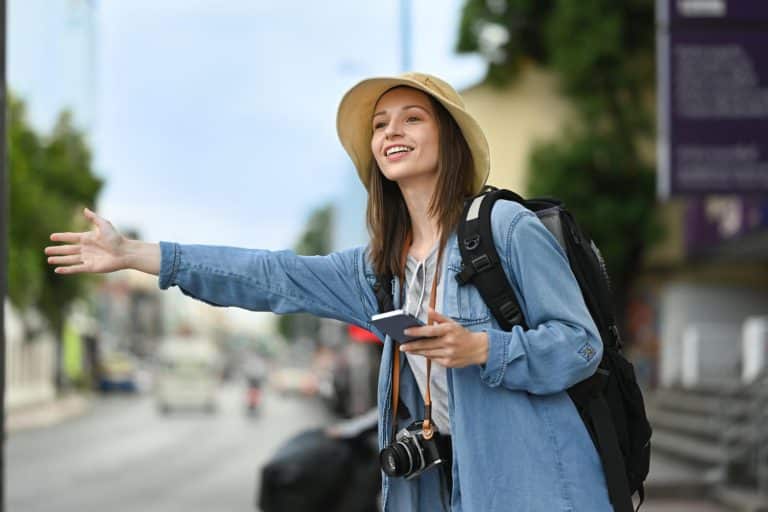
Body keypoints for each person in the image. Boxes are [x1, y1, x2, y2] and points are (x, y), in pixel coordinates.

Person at [45, 72, 612, 511]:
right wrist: (136, 255)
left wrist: (482, 348)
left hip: (539, 488)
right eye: (380, 125)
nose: (391, 132)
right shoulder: (380, 271)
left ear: (449, 138)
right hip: (443, 490)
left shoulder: (506, 229)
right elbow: (270, 276)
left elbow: (581, 345)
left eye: (412, 118)